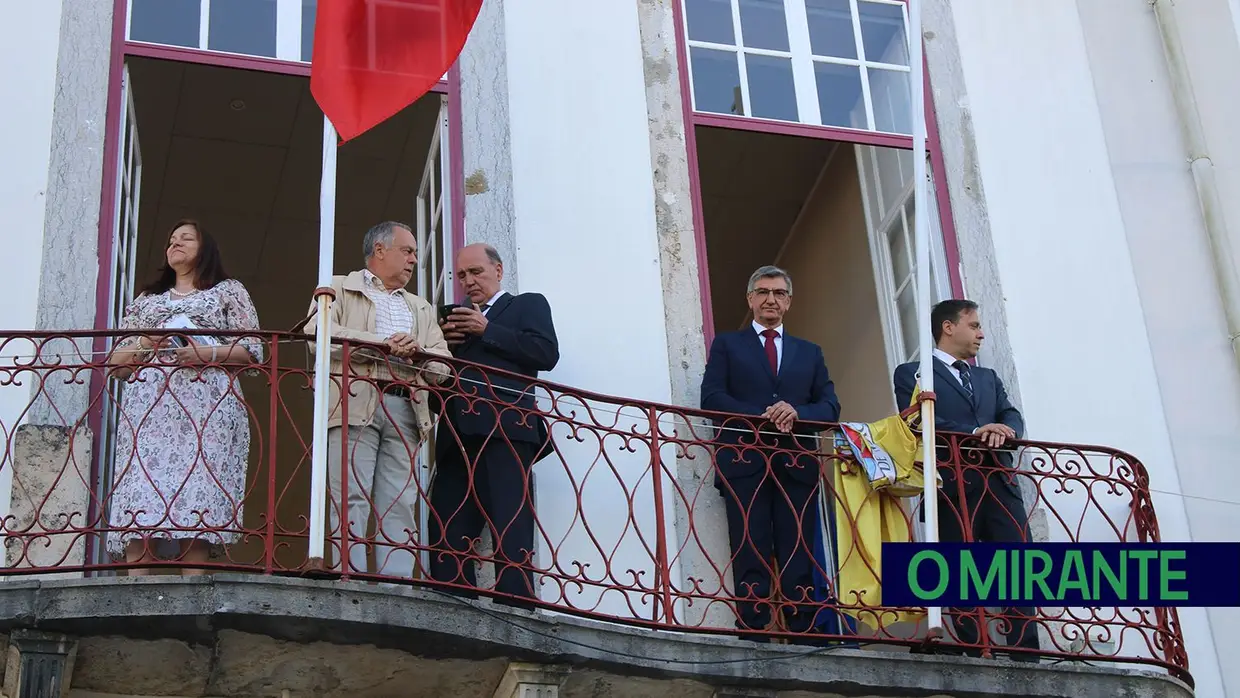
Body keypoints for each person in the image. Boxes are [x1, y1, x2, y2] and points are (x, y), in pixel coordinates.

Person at [106, 219, 263, 574]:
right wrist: (148, 341)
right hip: (150, 411)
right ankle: (135, 588)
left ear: (204, 249)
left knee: (198, 496)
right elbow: (115, 365)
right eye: (171, 239)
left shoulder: (227, 292)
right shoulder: (148, 301)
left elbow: (253, 350)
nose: (174, 244)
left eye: (186, 238)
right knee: (141, 495)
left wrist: (205, 355)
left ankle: (193, 587)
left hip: (207, 407)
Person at [303, 221, 452, 578]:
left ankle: (396, 585)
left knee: (400, 502)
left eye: (415, 253)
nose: (415, 260)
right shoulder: (338, 286)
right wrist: (380, 344)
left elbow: (443, 367)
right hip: (355, 402)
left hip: (406, 407)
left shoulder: (420, 307)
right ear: (380, 251)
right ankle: (348, 576)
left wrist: (417, 354)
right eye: (408, 251)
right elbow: (315, 334)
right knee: (351, 494)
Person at [699, 265, 841, 640]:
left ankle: (803, 628)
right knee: (750, 545)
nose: (770, 299)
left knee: (798, 548)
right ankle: (754, 628)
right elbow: (712, 398)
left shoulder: (809, 353)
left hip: (797, 464)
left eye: (779, 293)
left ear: (789, 302)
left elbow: (829, 407)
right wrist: (762, 416)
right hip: (745, 461)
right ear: (750, 299)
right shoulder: (728, 345)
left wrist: (797, 412)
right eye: (762, 292)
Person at [893, 298, 1040, 658]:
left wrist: (1004, 428)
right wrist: (976, 430)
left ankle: (1026, 653)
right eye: (974, 325)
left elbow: (1010, 413)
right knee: (957, 568)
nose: (981, 333)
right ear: (948, 327)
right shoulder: (913, 373)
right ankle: (975, 650)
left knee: (1018, 566)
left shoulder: (986, 377)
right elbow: (919, 422)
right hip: (951, 484)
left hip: (999, 484)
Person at [428, 243, 559, 602]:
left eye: (476, 272)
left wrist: (486, 329)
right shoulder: (454, 325)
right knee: (447, 519)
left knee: (510, 516)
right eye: (462, 276)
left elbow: (546, 353)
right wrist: (445, 348)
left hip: (507, 428)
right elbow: (437, 391)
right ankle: (452, 596)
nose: (468, 281)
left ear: (498, 271)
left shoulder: (526, 305)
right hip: (457, 435)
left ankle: (515, 599)